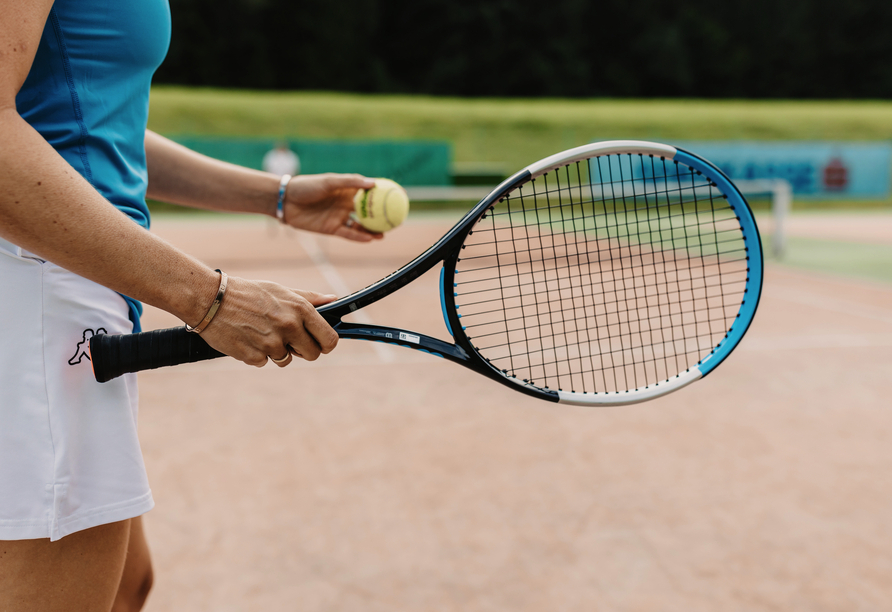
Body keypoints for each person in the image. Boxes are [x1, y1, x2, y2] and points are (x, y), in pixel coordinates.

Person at [0, 1, 380, 610]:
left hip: (64, 284)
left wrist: (275, 196)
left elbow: (91, 115)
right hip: (37, 286)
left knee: (127, 583)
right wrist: (211, 299)